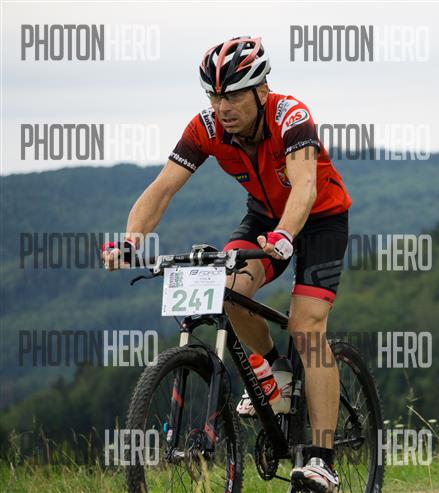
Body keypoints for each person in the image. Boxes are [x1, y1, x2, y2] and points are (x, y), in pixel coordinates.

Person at [101, 35, 350, 493]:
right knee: (228, 292)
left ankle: (322, 458)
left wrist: (285, 236)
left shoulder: (291, 116)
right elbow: (163, 187)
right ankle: (275, 371)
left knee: (306, 327)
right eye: (214, 96)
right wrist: (131, 238)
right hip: (263, 216)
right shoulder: (206, 128)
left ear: (261, 90)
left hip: (319, 219)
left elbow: (304, 187)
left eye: (233, 95)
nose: (222, 107)